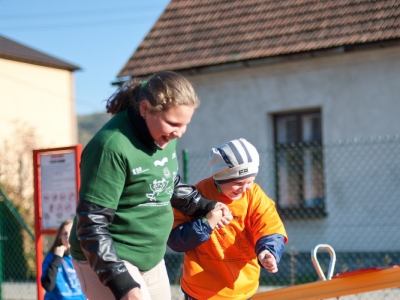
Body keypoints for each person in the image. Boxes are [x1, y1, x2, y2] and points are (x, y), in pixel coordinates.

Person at [68, 71, 232, 300]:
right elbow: (91, 226)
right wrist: (123, 284)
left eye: (185, 125)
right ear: (144, 109)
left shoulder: (164, 135)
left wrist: (204, 206)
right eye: (173, 123)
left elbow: (165, 180)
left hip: (151, 258)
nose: (179, 133)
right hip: (109, 259)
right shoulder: (110, 147)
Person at [168, 138, 288, 300]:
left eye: (250, 182)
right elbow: (176, 239)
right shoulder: (196, 196)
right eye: (238, 183)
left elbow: (269, 225)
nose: (244, 189)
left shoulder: (254, 195)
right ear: (219, 177)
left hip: (242, 290)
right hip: (201, 291)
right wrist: (206, 224)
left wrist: (268, 250)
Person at [41, 219, 86, 300]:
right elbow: (48, 285)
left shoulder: (82, 257)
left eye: (71, 233)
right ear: (60, 237)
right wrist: (57, 257)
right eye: (65, 233)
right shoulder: (52, 257)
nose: (68, 236)